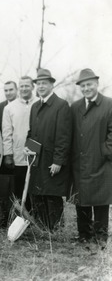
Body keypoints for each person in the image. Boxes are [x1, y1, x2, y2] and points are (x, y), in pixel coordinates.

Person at [25, 68, 72, 231]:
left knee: (52, 196)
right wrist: (28, 148)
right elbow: (31, 133)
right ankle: (42, 229)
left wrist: (58, 161)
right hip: (37, 160)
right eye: (38, 83)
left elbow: (64, 137)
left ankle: (55, 231)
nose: (41, 86)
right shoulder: (35, 106)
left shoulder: (61, 106)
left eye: (44, 83)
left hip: (51, 161)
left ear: (52, 85)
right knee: (38, 195)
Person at [70, 68, 112, 248]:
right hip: (80, 162)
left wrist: (105, 152)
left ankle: (101, 237)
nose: (86, 88)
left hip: (101, 161)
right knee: (82, 198)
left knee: (102, 199)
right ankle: (84, 235)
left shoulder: (109, 104)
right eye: (83, 85)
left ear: (97, 84)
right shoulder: (75, 107)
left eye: (89, 84)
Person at [2, 76, 38, 203]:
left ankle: (39, 220)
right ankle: (22, 218)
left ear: (33, 87)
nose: (24, 88)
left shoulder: (40, 103)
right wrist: (8, 154)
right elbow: (6, 133)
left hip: (37, 154)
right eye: (21, 86)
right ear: (18, 88)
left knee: (36, 191)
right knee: (20, 190)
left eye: (27, 85)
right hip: (18, 155)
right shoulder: (9, 108)